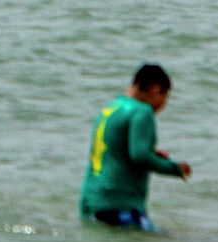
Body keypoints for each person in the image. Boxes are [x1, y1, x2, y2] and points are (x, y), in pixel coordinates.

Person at [79, 63, 191, 230]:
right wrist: (174, 168)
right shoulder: (142, 111)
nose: (164, 103)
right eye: (165, 96)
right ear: (155, 90)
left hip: (91, 202)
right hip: (119, 204)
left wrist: (151, 153)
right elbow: (139, 155)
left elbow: (115, 150)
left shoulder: (111, 108)